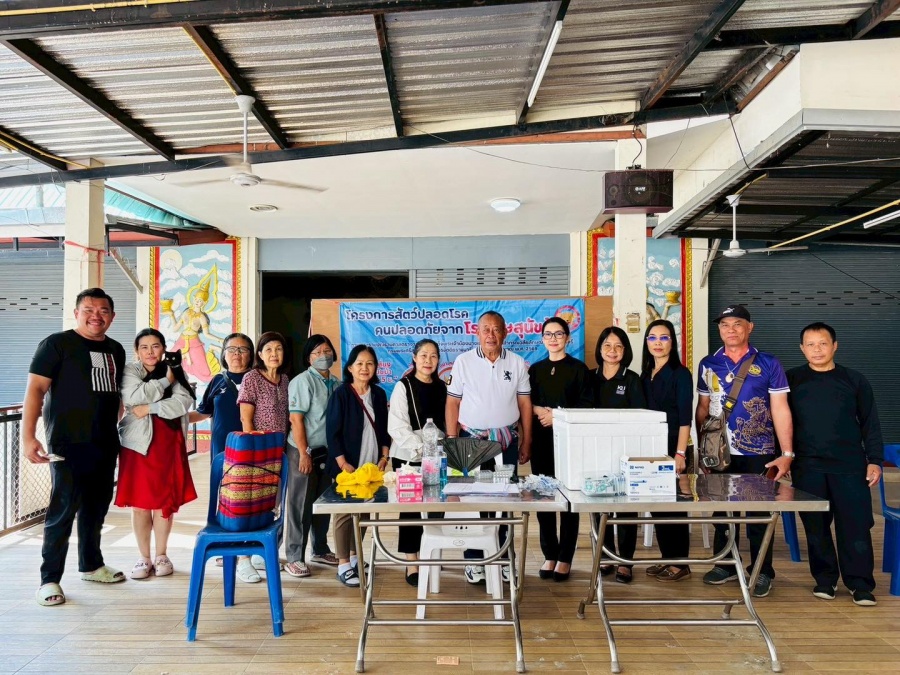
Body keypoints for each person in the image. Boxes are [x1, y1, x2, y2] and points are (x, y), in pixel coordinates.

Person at [24, 288, 127, 606]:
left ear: (112, 316)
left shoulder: (116, 349)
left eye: (103, 310)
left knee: (97, 506)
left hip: (105, 441)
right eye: (89, 310)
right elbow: (35, 390)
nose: (96, 316)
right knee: (63, 509)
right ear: (76, 313)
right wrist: (29, 436)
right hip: (67, 442)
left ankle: (91, 565)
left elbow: (116, 395)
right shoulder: (56, 344)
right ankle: (49, 580)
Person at [696, 304, 794, 598]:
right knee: (722, 511)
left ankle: (762, 569)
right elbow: (703, 408)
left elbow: (780, 408)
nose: (731, 330)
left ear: (750, 327)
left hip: (758, 451)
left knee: (758, 513)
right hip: (719, 451)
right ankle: (725, 563)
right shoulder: (708, 363)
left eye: (737, 324)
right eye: (725, 325)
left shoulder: (768, 363)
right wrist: (702, 451)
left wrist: (786, 453)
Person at [787, 322, 883, 606]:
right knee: (816, 526)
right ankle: (825, 580)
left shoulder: (854, 380)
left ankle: (860, 584)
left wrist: (875, 460)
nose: (817, 349)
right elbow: (780, 421)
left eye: (823, 343)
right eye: (811, 344)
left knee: (855, 525)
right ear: (802, 348)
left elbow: (870, 423)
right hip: (807, 466)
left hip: (849, 465)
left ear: (835, 346)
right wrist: (785, 457)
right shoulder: (791, 380)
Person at [445, 310, 532, 585]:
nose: (491, 335)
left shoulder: (516, 363)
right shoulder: (464, 362)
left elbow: (524, 404)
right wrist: (453, 441)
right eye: (486, 329)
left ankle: (505, 558)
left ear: (505, 333)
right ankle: (474, 559)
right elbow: (452, 403)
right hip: (471, 444)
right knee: (473, 500)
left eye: (496, 329)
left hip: (505, 444)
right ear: (477, 333)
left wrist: (527, 440)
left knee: (505, 500)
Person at [116, 328, 198, 580]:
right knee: (140, 502)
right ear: (137, 351)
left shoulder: (175, 369)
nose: (150, 352)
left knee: (165, 502)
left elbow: (182, 403)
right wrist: (165, 382)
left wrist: (149, 408)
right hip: (137, 444)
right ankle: (144, 557)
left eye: (155, 346)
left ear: (163, 348)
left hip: (168, 442)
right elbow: (132, 396)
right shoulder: (130, 371)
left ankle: (162, 555)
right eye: (144, 347)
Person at [530, 318, 592, 582]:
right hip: (541, 442)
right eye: (548, 334)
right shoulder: (535, 370)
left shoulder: (579, 369)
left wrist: (556, 416)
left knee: (568, 499)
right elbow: (526, 401)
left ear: (568, 338)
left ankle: (565, 557)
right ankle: (550, 554)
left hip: (569, 442)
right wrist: (538, 411)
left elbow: (586, 406)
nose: (553, 338)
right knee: (543, 496)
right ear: (542, 339)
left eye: (558, 334)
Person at [326, 344, 391, 587]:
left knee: (364, 510)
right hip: (347, 465)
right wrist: (342, 462)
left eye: (369, 363)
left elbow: (384, 429)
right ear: (350, 368)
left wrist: (384, 456)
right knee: (344, 513)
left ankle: (355, 557)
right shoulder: (341, 394)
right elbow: (332, 432)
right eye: (360, 364)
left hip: (371, 464)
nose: (365, 368)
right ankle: (342, 564)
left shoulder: (379, 394)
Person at [388, 339, 448, 586]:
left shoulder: (443, 387)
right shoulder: (403, 386)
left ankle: (431, 552)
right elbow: (396, 425)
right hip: (408, 455)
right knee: (410, 510)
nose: (428, 360)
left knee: (437, 505)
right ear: (414, 358)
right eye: (423, 355)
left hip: (438, 456)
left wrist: (438, 449)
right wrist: (423, 448)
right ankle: (412, 560)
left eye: (433, 356)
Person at [592, 326, 647, 584]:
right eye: (607, 345)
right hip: (595, 449)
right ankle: (605, 555)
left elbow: (640, 417)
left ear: (625, 351)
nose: (612, 351)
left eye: (618, 346)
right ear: (600, 349)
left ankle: (625, 561)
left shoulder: (632, 379)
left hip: (625, 452)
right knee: (598, 504)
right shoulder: (590, 377)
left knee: (625, 507)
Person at [284, 335, 341, 578]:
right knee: (300, 504)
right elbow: (296, 419)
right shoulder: (302, 381)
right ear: (308, 358)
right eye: (317, 352)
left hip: (326, 453)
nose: (323, 356)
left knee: (322, 502)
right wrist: (304, 453)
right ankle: (294, 556)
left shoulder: (336, 383)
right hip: (302, 450)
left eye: (327, 351)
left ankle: (320, 549)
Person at [641, 320, 694, 582]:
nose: (658, 343)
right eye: (652, 338)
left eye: (664, 337)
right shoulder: (645, 373)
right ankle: (667, 557)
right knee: (658, 507)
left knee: (674, 508)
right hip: (651, 449)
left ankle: (680, 563)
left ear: (672, 342)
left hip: (674, 448)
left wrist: (680, 454)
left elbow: (685, 419)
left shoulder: (680, 374)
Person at [237, 331, 290, 584]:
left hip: (277, 452)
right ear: (259, 354)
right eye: (268, 349)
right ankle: (243, 559)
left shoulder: (285, 380)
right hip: (256, 453)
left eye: (278, 349)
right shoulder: (252, 378)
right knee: (250, 506)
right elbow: (245, 418)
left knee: (270, 505)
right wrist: (253, 449)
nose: (274, 354)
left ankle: (260, 551)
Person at [189, 332, 255, 458]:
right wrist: (175, 418)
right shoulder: (217, 380)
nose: (237, 353)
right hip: (222, 447)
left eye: (243, 349)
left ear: (251, 355)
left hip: (250, 445)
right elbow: (203, 412)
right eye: (231, 349)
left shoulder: (257, 380)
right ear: (224, 354)